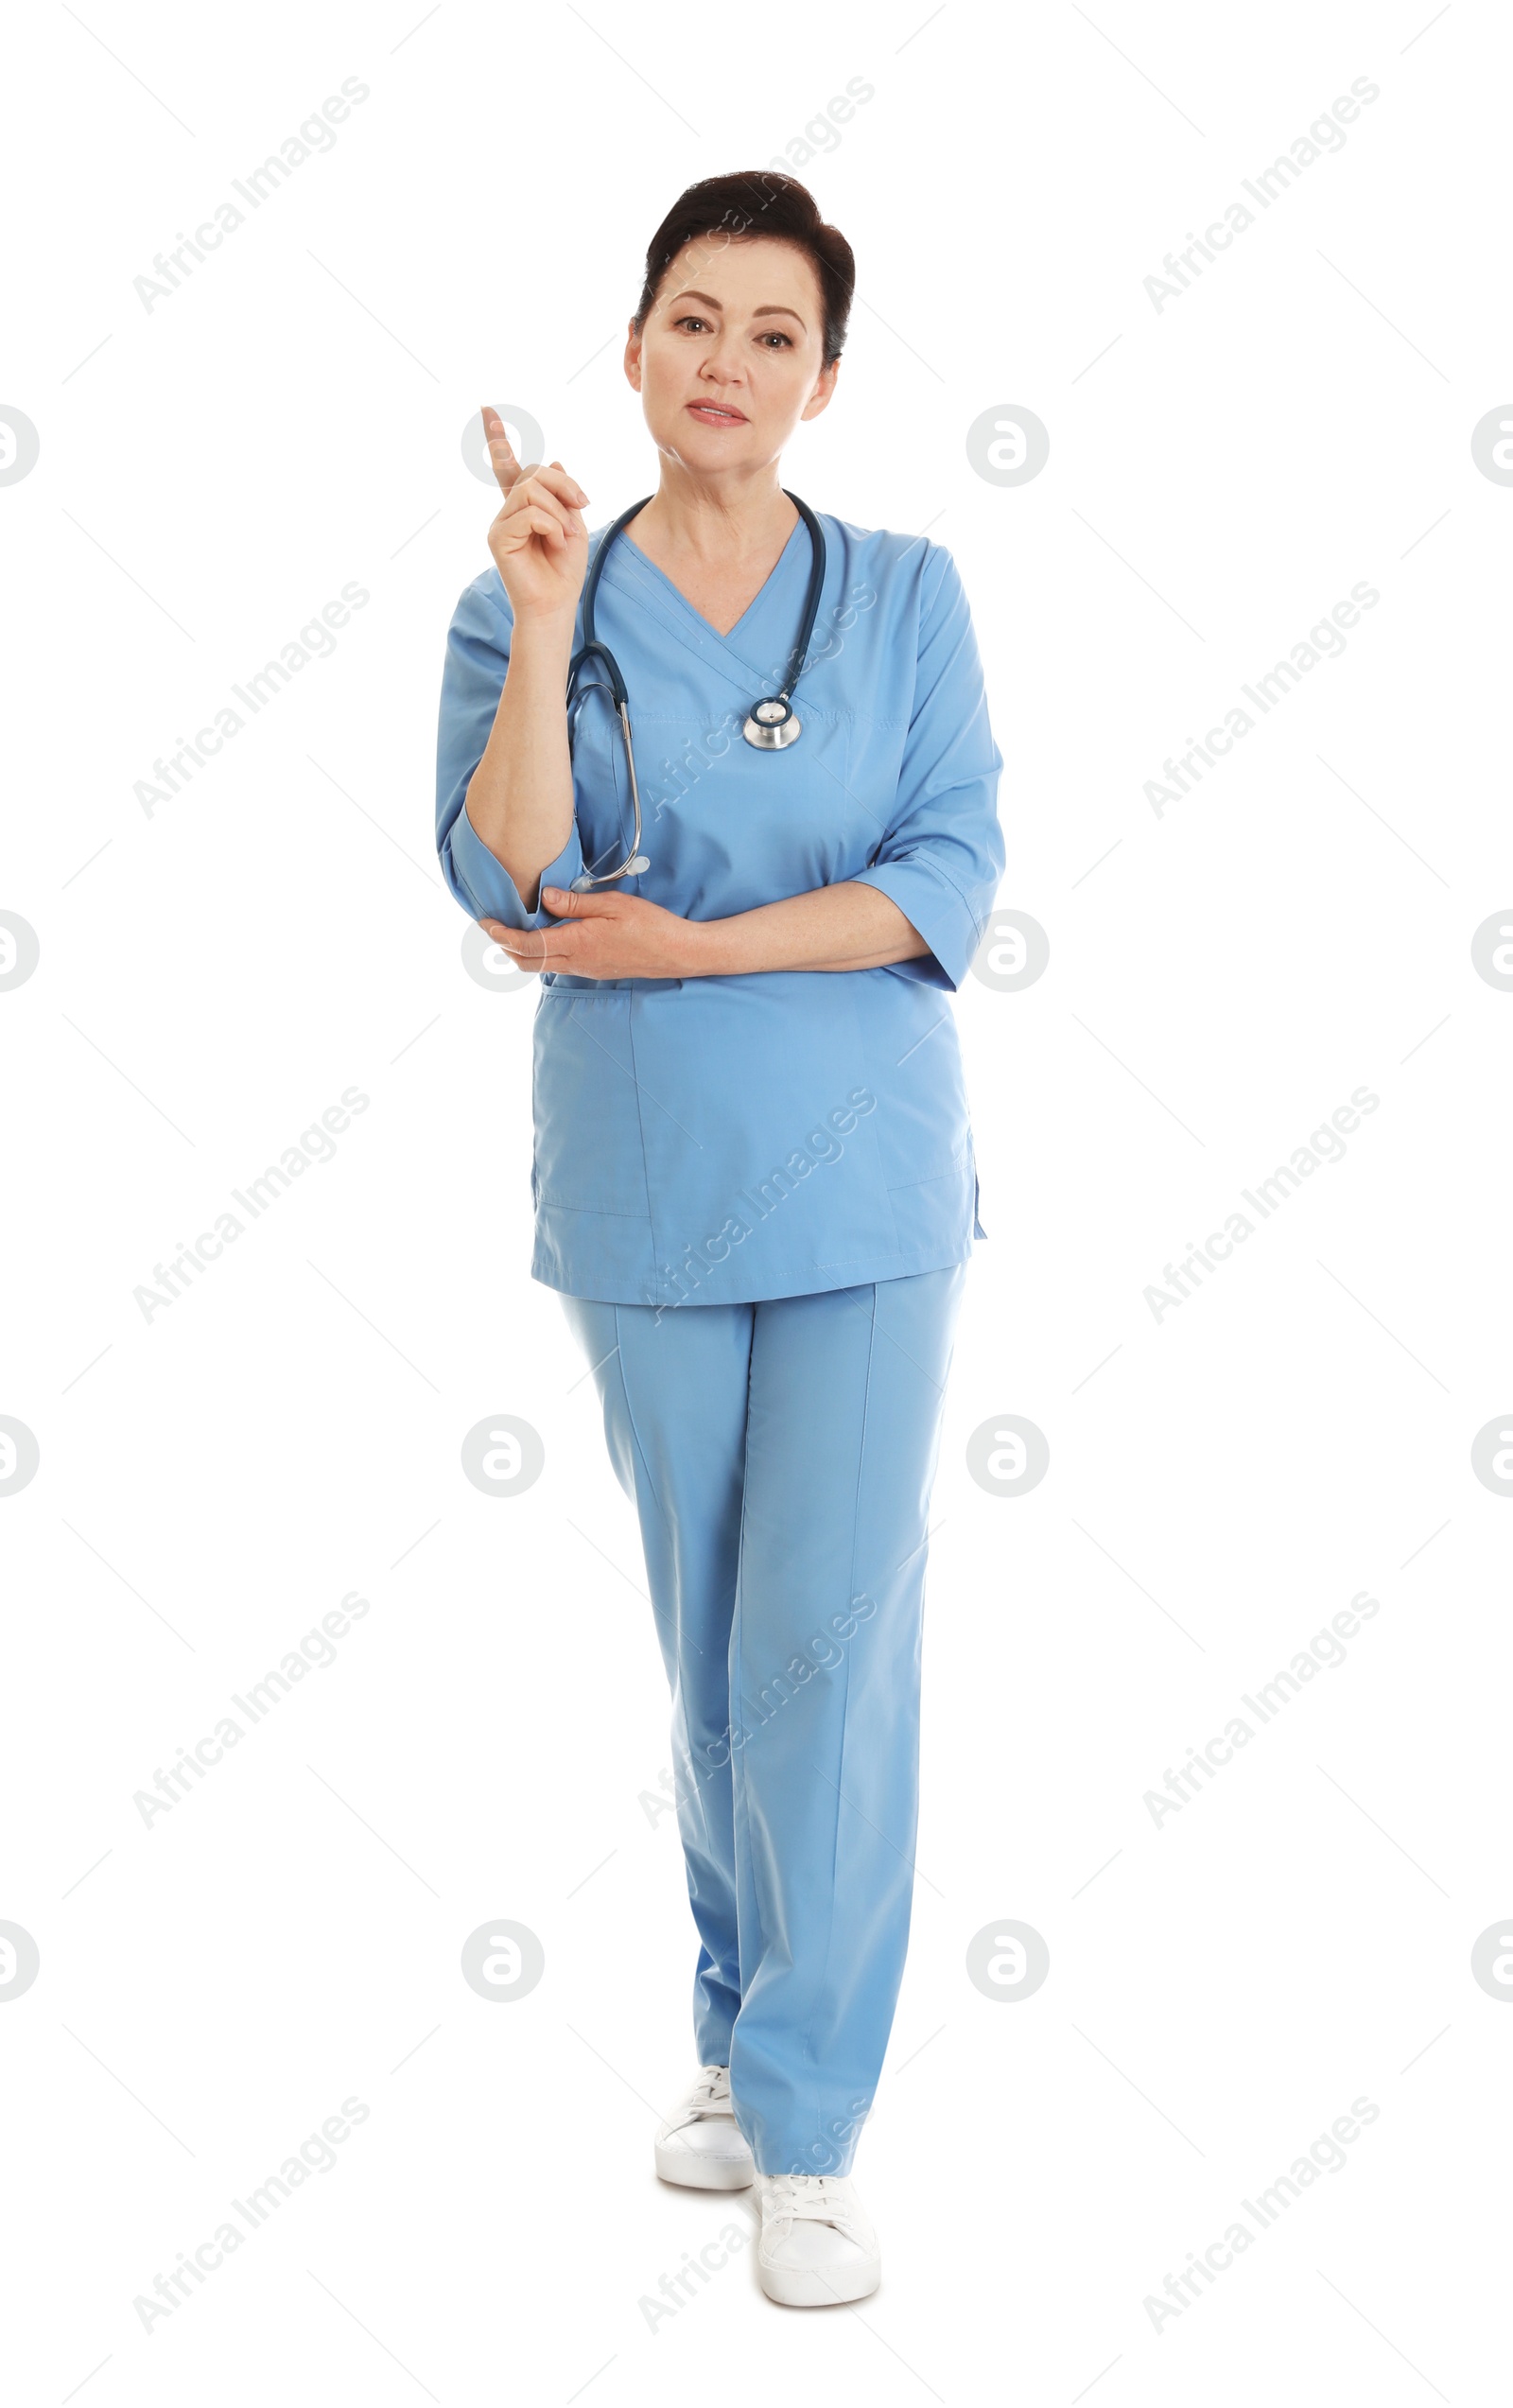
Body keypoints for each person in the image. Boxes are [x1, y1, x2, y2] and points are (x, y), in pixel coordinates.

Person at [434, 171, 1003, 2308]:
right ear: (634, 345)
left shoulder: (908, 595)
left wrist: (678, 948)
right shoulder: (524, 599)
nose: (728, 363)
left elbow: (939, 873)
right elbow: (512, 876)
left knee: (821, 1650)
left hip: (857, 1178)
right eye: (694, 318)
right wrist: (556, 621)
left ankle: (815, 2124)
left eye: (774, 332)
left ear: (824, 379)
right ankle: (727, 2030)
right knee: (708, 1643)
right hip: (648, 1184)